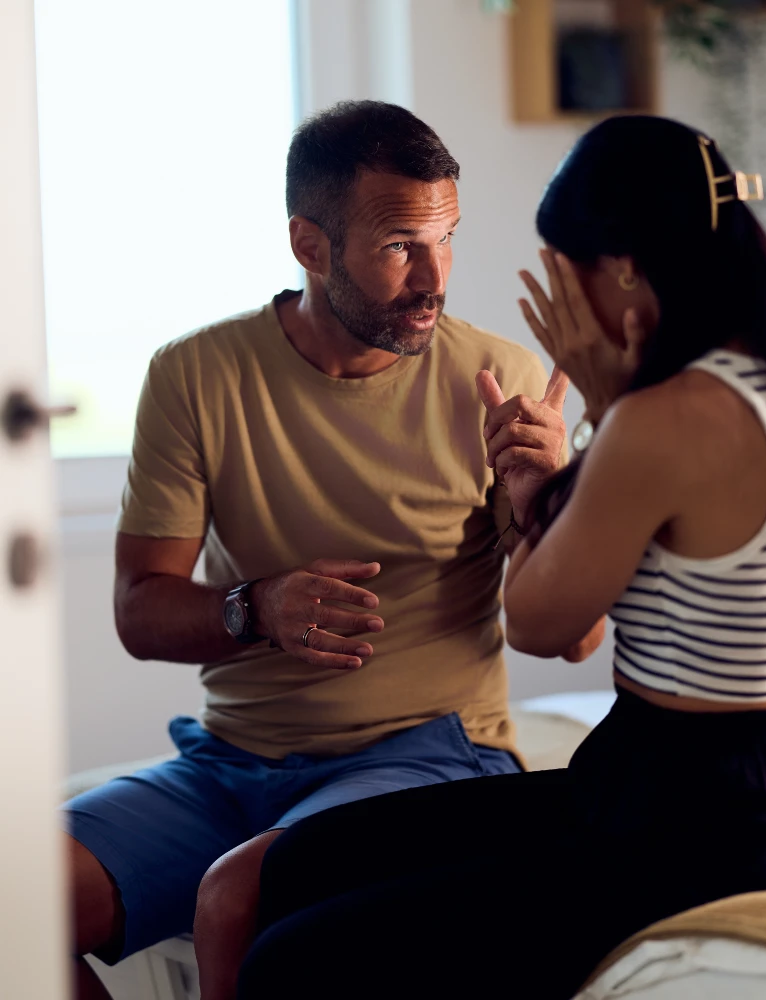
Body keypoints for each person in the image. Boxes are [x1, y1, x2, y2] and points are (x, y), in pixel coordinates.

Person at [233, 115, 766, 998]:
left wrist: (564, 453)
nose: (557, 309)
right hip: (713, 791)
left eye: (561, 275)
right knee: (293, 870)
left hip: (684, 828)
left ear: (622, 269)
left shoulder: (662, 416)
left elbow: (542, 622)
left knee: (290, 960)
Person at [64, 100, 570, 1000]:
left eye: (447, 238)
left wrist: (549, 499)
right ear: (309, 244)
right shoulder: (195, 375)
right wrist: (253, 608)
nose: (434, 276)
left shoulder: (503, 383)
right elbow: (142, 610)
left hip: (429, 752)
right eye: (400, 246)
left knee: (242, 899)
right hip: (228, 760)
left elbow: (570, 640)